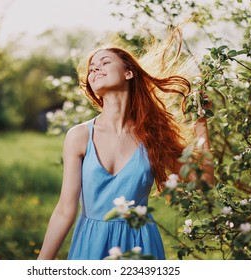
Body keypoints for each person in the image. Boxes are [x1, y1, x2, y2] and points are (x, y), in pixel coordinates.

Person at [37, 29, 214, 260]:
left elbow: (204, 182)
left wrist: (201, 123)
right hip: (91, 244)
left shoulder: (153, 136)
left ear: (129, 73)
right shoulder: (78, 136)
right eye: (91, 68)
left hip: (140, 244)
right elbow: (64, 210)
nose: (95, 69)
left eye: (104, 62)